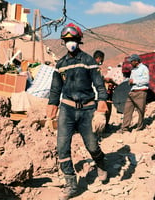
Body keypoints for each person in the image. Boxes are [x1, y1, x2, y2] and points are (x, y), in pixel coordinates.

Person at [46, 23, 108, 200]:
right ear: (63, 42)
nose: (70, 43)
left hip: (87, 109)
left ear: (79, 40)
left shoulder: (88, 61)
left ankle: (101, 163)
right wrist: (52, 108)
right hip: (67, 110)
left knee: (92, 146)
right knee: (62, 148)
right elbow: (55, 89)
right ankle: (71, 184)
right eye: (67, 40)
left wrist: (101, 110)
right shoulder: (61, 64)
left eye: (73, 39)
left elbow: (99, 86)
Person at [121, 54, 149, 132]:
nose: (130, 63)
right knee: (127, 110)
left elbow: (146, 80)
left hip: (141, 92)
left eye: (132, 61)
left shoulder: (144, 68)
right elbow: (131, 79)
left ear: (136, 61)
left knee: (140, 110)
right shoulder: (133, 70)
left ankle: (140, 127)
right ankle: (124, 128)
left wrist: (135, 81)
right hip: (132, 91)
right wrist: (130, 82)